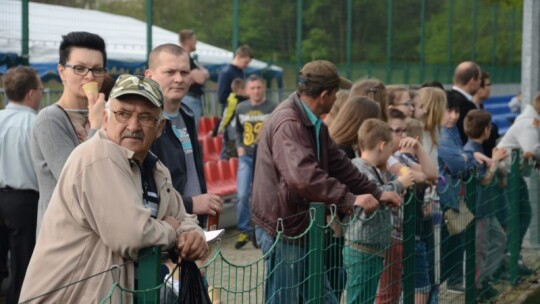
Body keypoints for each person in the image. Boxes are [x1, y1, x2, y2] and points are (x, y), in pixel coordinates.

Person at [19, 74, 207, 303]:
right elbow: (131, 236)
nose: (133, 126)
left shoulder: (155, 168)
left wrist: (192, 235)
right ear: (106, 118)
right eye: (123, 114)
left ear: (160, 127)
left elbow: (182, 216)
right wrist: (170, 230)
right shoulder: (98, 156)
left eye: (146, 117)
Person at [252, 60, 401, 304]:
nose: (337, 100)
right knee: (286, 299)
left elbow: (340, 164)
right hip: (284, 227)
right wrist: (351, 199)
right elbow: (303, 177)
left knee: (320, 297)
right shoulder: (290, 123)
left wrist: (375, 191)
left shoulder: (312, 121)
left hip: (300, 225)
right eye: (335, 93)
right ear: (324, 95)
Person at [31, 31, 107, 235]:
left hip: (98, 236)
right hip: (62, 240)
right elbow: (77, 182)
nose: (89, 76)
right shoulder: (49, 120)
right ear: (62, 71)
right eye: (80, 68)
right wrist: (97, 127)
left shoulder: (108, 113)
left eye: (97, 70)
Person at [146, 43, 223, 229]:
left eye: (184, 72)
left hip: (192, 223)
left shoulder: (187, 114)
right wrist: (190, 203)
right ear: (149, 76)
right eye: (170, 72)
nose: (179, 79)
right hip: (165, 228)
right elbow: (144, 188)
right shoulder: (145, 123)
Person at [343, 118, 413, 304]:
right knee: (358, 299)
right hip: (361, 247)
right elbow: (374, 192)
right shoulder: (358, 168)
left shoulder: (376, 169)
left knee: (366, 298)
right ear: (382, 146)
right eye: (391, 147)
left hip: (373, 248)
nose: (391, 152)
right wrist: (400, 184)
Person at [0, 66, 42, 304]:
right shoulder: (35, 124)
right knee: (22, 262)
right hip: (23, 201)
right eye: (40, 90)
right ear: (30, 94)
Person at [463, 110, 508, 301]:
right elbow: (485, 180)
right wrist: (496, 162)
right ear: (486, 129)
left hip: (486, 208)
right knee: (479, 249)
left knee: (499, 239)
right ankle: (475, 287)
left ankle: (483, 279)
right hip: (478, 210)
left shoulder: (478, 149)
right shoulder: (471, 151)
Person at [497, 92, 540, 274]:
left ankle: (511, 255)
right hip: (507, 173)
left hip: (511, 172)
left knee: (519, 215)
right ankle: (510, 255)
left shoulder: (531, 120)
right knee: (522, 214)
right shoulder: (529, 123)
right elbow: (531, 152)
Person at [233, 75, 277, 249]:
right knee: (243, 194)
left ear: (264, 88)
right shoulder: (240, 108)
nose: (256, 91)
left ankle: (263, 230)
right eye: (253, 88)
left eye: (259, 87)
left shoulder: (273, 107)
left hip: (266, 158)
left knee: (264, 194)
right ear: (246, 90)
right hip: (247, 156)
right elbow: (236, 130)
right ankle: (244, 231)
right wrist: (238, 145)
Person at [217, 45, 253, 159]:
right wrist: (241, 95)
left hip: (240, 114)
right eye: (246, 62)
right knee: (229, 146)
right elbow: (221, 97)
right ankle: (224, 169)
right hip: (231, 116)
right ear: (239, 56)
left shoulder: (240, 72)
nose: (247, 65)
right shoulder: (227, 72)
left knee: (237, 146)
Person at [446, 61, 482, 144]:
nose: (480, 83)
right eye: (480, 79)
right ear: (472, 80)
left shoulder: (444, 97)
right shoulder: (468, 106)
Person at [179, 29, 210, 128]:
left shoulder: (191, 59)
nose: (196, 42)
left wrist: (200, 74)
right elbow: (200, 78)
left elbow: (205, 74)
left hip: (192, 99)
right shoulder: (184, 58)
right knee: (188, 132)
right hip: (189, 99)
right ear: (188, 41)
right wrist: (200, 73)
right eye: (194, 40)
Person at [217, 78, 248, 157]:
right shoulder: (233, 100)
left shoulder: (247, 100)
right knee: (230, 149)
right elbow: (227, 116)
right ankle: (226, 163)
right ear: (240, 90)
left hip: (241, 128)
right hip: (232, 128)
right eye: (245, 89)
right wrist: (219, 128)